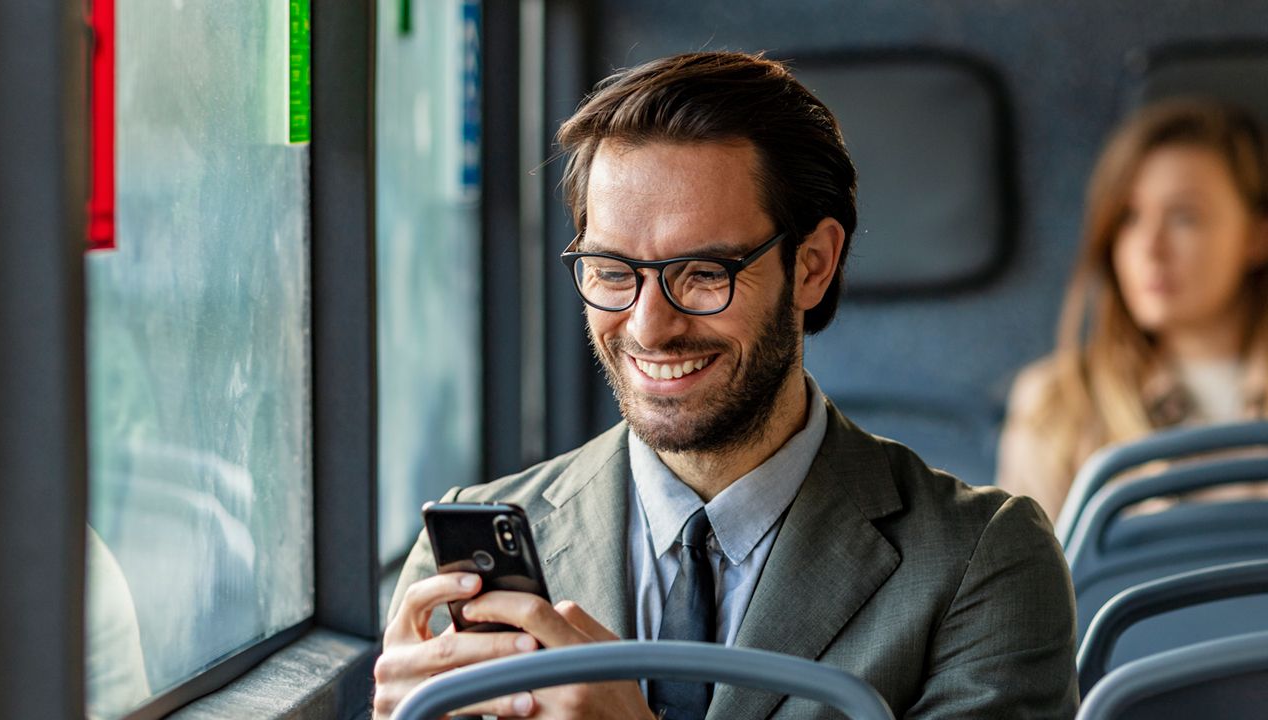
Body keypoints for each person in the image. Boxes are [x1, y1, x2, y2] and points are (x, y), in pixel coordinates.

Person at [375, 52, 1077, 719]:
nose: (650, 328)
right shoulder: (472, 540)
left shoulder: (981, 558)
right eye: (613, 272)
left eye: (704, 273)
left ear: (812, 265)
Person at [998, 99, 1268, 522]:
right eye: (1129, 218)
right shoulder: (1058, 405)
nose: (1150, 248)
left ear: (1256, 235)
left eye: (1184, 217)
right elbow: (1021, 584)